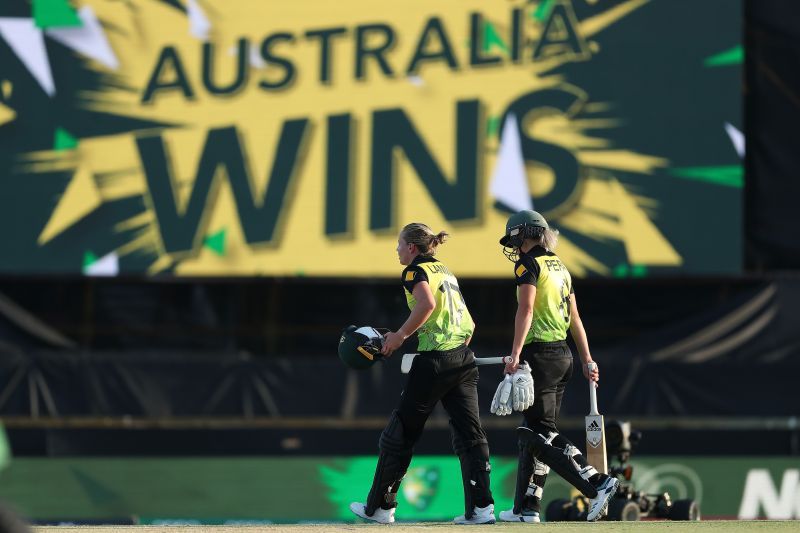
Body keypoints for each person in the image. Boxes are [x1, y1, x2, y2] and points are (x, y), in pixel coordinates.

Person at [350, 223, 495, 525]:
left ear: (412, 248)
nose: (397, 250)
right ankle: (482, 510)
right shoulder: (446, 271)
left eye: (400, 244)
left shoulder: (414, 271)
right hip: (462, 358)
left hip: (435, 361)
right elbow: (469, 324)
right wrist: (456, 354)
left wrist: (401, 336)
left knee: (399, 434)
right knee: (471, 436)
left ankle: (379, 508)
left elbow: (427, 304)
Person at [496, 210, 618, 523]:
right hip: (563, 357)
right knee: (535, 433)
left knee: (538, 433)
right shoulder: (560, 265)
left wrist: (514, 354)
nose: (513, 244)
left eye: (514, 237)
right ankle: (526, 509)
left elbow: (524, 310)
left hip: (540, 355)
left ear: (526, 234)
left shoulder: (529, 264)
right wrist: (587, 358)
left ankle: (597, 483)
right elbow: (575, 318)